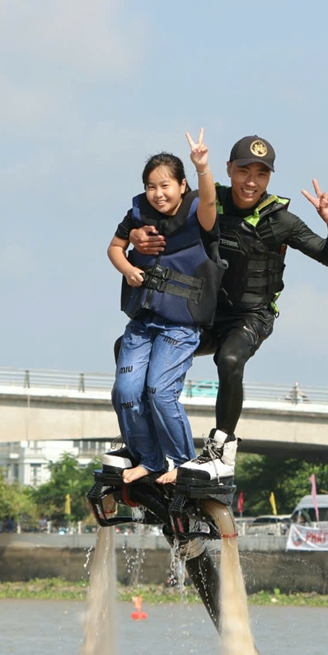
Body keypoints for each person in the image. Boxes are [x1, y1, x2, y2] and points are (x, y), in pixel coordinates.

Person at [128, 135, 328, 489]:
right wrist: (137, 235)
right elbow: (160, 210)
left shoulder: (282, 221)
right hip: (204, 313)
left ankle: (220, 451)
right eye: (243, 170)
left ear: (269, 178)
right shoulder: (209, 200)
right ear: (229, 169)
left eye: (261, 173)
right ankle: (144, 447)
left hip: (250, 317)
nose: (251, 181)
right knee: (130, 346)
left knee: (228, 360)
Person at [100, 134, 220, 487]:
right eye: (151, 186)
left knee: (158, 391)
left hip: (180, 326)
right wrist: (127, 268)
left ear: (182, 185)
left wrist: (202, 168)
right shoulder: (137, 214)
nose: (158, 193)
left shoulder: (199, 211)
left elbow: (210, 202)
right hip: (143, 322)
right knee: (125, 391)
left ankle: (183, 464)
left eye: (165, 185)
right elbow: (114, 248)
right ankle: (150, 460)